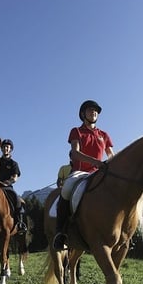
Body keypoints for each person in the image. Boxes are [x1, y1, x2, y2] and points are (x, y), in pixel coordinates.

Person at [53, 99, 115, 250]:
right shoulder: (77, 131)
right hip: (80, 173)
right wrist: (97, 162)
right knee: (66, 189)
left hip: (99, 173)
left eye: (96, 111)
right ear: (83, 114)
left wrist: (114, 167)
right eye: (90, 110)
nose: (94, 112)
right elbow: (75, 153)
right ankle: (61, 233)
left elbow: (111, 155)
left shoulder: (104, 134)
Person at [0, 139, 27, 234]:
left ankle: (20, 223)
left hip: (7, 187)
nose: (5, 148)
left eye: (7, 147)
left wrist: (7, 182)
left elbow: (15, 177)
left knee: (17, 200)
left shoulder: (14, 163)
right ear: (1, 149)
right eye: (4, 147)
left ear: (10, 149)